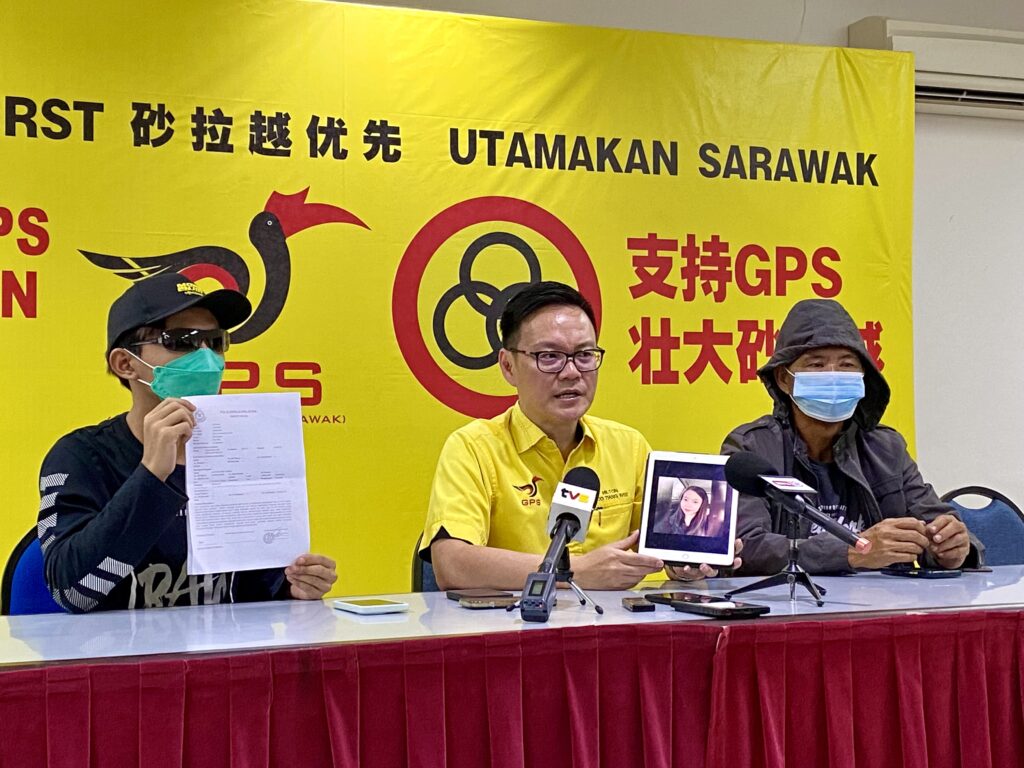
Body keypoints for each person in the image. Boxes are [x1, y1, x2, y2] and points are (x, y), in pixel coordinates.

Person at [36, 273, 337, 612]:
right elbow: (72, 592)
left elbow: (251, 591)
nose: (207, 357)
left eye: (216, 342)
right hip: (120, 646)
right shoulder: (80, 456)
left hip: (224, 645)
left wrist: (293, 588)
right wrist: (152, 474)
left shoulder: (242, 450)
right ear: (126, 364)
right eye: (183, 340)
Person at [420, 281, 740, 590]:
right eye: (549, 357)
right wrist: (573, 572)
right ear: (508, 366)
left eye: (584, 355)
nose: (572, 372)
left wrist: (683, 564)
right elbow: (451, 564)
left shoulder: (628, 446)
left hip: (616, 623)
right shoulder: (474, 448)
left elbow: (657, 545)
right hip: (516, 622)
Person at [722, 298, 981, 575]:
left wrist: (953, 549)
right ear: (784, 379)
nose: (833, 376)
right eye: (816, 365)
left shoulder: (886, 448)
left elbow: (936, 525)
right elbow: (745, 548)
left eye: (847, 365)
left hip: (883, 600)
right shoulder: (752, 447)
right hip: (788, 599)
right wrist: (853, 551)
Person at [658, 485, 723, 538]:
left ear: (702, 505)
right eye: (685, 499)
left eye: (695, 502)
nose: (688, 505)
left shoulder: (708, 525)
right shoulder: (669, 517)